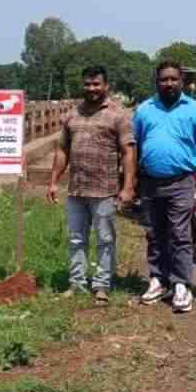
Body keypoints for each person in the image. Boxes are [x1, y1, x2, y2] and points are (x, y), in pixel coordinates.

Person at [47, 65, 136, 305]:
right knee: (76, 239)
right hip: (76, 189)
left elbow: (128, 151)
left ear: (106, 86)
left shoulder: (118, 115)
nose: (92, 88)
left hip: (105, 190)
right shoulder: (72, 115)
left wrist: (128, 187)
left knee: (105, 239)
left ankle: (102, 285)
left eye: (96, 84)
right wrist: (53, 181)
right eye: (87, 84)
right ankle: (77, 283)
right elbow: (62, 150)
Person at [135, 61, 196, 312]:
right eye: (163, 79)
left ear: (182, 82)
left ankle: (181, 284)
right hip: (150, 182)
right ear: (156, 82)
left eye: (173, 79)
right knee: (154, 233)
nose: (168, 84)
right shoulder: (144, 110)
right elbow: (135, 144)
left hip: (182, 181)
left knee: (180, 234)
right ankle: (158, 279)